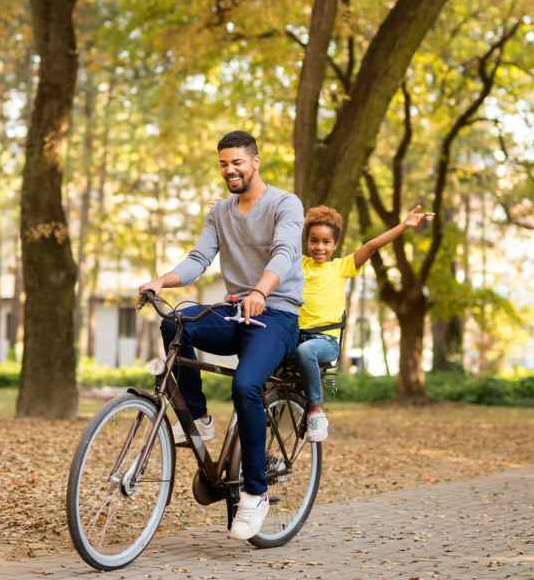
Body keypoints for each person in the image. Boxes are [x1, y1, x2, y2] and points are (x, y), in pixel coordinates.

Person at [138, 130, 303, 541]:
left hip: (277, 314)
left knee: (246, 385)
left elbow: (284, 253)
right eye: (223, 164)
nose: (230, 170)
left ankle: (256, 493)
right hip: (235, 312)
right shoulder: (220, 213)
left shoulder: (285, 204)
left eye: (237, 162)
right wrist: (162, 281)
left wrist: (262, 290)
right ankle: (198, 417)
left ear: (255, 161)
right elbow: (199, 259)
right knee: (175, 322)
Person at [298, 204, 434, 442]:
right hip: (296, 335)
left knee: (305, 351)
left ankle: (316, 410)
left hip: (324, 341)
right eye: (314, 241)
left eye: (326, 242)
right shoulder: (297, 263)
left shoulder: (340, 267)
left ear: (335, 245)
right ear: (307, 241)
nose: (319, 247)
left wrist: (403, 226)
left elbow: (371, 246)